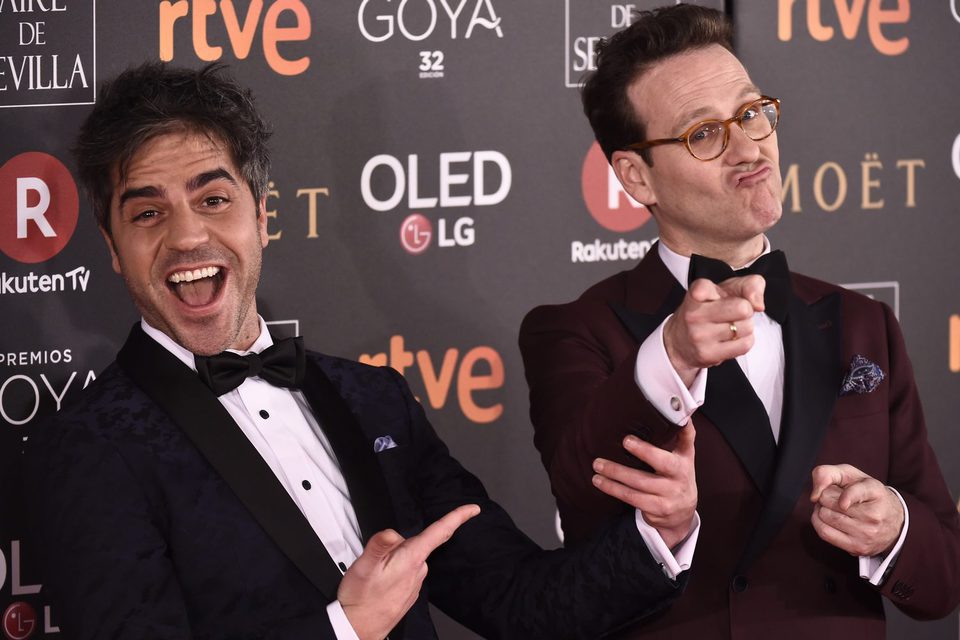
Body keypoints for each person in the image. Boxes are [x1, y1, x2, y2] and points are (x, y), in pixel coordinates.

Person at [24, 63, 694, 640]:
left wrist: (656, 538)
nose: (186, 236)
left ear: (262, 216)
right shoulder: (87, 448)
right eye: (148, 213)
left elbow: (520, 602)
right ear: (113, 250)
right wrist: (345, 628)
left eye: (214, 198)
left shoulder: (373, 400)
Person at [519, 5, 960, 639]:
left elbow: (942, 582)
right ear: (636, 177)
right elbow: (581, 503)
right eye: (704, 133)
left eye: (751, 114)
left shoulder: (865, 325)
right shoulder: (578, 333)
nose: (750, 146)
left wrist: (894, 530)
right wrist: (669, 355)